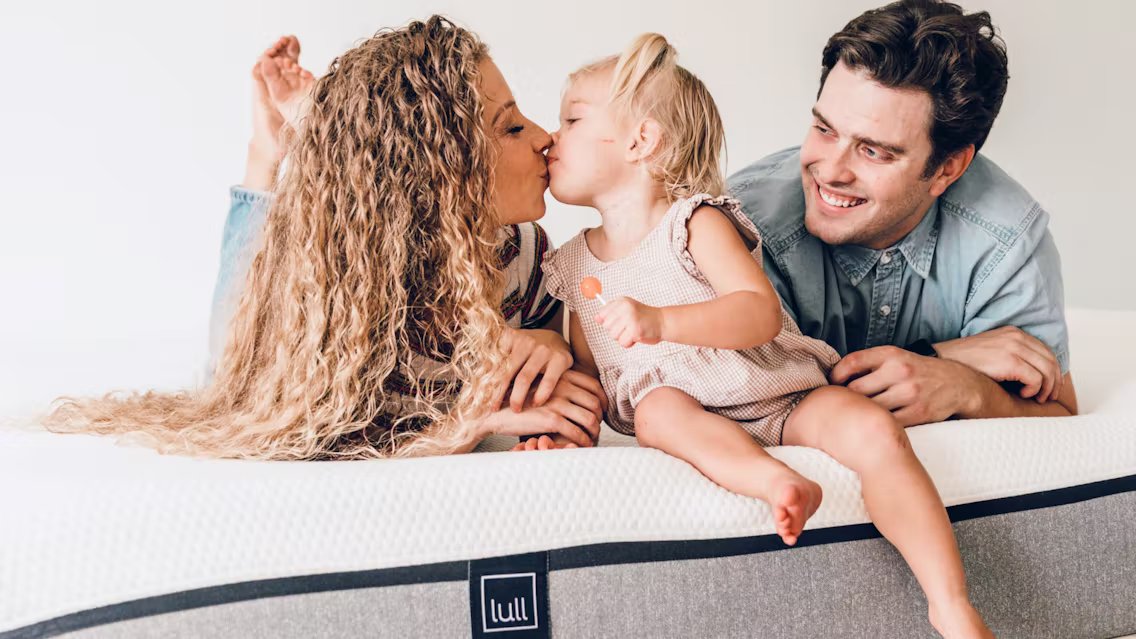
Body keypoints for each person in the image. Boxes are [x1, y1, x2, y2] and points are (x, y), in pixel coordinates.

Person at [537, 34, 991, 638]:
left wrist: (662, 322)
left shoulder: (694, 222)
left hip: (782, 391)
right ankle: (774, 480)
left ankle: (951, 604)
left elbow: (758, 314)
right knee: (655, 413)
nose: (550, 137)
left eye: (570, 120)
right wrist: (559, 433)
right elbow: (587, 379)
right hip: (690, 411)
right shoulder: (570, 268)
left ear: (640, 141)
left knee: (874, 433)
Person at [46, 17, 606, 460]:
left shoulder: (524, 254)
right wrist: (463, 428)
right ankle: (269, 150)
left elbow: (574, 359)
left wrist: (551, 344)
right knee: (227, 362)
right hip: (281, 346)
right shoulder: (354, 289)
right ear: (442, 173)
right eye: (509, 126)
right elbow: (304, 432)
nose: (544, 137)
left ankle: (315, 125)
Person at [729, 0, 1078, 426]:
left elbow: (1059, 412)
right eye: (824, 129)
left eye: (873, 151)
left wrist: (966, 389)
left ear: (947, 169)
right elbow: (751, 401)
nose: (830, 171)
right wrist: (940, 358)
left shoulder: (1005, 238)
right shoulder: (741, 225)